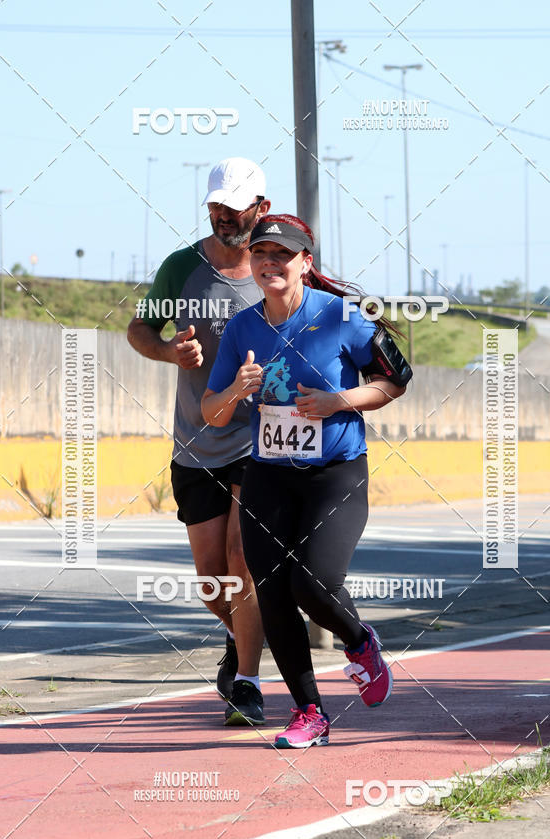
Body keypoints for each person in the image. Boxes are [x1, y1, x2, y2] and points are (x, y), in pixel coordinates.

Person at [201, 214, 408, 748]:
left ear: (305, 264)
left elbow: (395, 379)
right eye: (261, 254)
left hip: (335, 474)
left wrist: (339, 400)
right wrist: (235, 390)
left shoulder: (342, 317)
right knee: (271, 590)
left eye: (283, 255)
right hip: (268, 473)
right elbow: (214, 412)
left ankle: (360, 643)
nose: (270, 263)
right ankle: (309, 712)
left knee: (311, 581)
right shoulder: (242, 328)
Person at [127, 158, 271, 726]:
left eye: (233, 207)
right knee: (213, 580)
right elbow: (140, 329)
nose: (221, 215)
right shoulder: (181, 268)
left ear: (260, 208)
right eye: (214, 205)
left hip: (258, 441)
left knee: (242, 559)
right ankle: (242, 641)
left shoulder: (274, 265)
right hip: (196, 440)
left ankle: (249, 683)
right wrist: (169, 352)